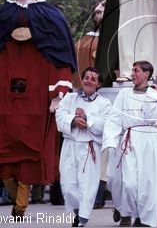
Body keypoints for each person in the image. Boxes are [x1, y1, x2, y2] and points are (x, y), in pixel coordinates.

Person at [0, 0, 77, 219]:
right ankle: (14, 192)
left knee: (31, 146)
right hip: (5, 97)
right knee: (3, 145)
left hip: (38, 96)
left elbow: (61, 57)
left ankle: (21, 199)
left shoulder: (53, 17)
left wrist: (60, 90)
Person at [102, 60, 157, 227]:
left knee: (147, 181)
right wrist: (110, 140)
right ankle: (125, 210)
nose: (133, 74)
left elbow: (151, 117)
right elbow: (114, 118)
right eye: (132, 70)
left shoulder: (156, 95)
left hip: (149, 139)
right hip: (129, 139)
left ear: (147, 74)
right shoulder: (123, 94)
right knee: (129, 183)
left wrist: (151, 94)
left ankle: (144, 219)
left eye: (136, 71)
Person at [56, 67, 112, 227]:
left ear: (98, 84)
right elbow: (59, 115)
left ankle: (82, 219)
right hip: (70, 145)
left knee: (87, 185)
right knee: (68, 185)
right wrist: (73, 120)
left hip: (89, 147)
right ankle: (77, 211)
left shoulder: (104, 103)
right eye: (86, 77)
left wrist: (87, 119)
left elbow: (105, 124)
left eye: (93, 79)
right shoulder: (70, 98)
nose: (88, 81)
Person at [72, 1, 105, 90]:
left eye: (102, 12)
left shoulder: (118, 38)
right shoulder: (86, 39)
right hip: (80, 87)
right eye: (97, 13)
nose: (100, 16)